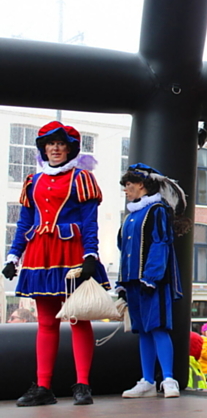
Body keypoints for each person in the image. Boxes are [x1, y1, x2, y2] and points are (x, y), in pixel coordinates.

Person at [1, 121, 109, 407]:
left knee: (77, 317)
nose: (56, 148)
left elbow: (89, 221)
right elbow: (25, 221)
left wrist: (90, 254)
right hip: (40, 255)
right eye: (50, 144)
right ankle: (43, 387)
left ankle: (83, 385)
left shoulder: (81, 178)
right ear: (44, 149)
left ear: (70, 148)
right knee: (47, 322)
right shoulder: (32, 181)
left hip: (71, 253)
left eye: (61, 144)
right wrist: (13, 255)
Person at [117, 163, 187, 399]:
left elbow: (161, 243)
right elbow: (124, 249)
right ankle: (147, 380)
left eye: (129, 184)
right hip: (133, 281)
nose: (126, 189)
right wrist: (122, 281)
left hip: (152, 281)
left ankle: (168, 378)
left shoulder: (157, 210)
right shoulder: (131, 215)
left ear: (142, 185)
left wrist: (151, 276)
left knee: (157, 327)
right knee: (143, 331)